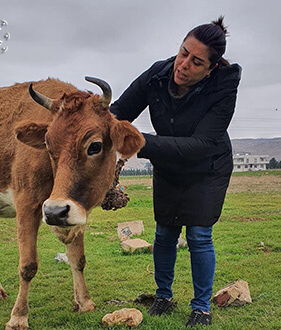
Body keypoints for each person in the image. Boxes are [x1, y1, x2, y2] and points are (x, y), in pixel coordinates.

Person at [110, 16, 241, 327]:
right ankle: (164, 297)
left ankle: (201, 307)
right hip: (169, 166)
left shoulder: (223, 87)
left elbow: (203, 143)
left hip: (207, 167)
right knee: (165, 232)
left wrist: (139, 142)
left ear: (212, 68)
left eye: (196, 62)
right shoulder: (157, 75)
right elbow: (118, 111)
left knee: (198, 234)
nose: (184, 65)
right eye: (183, 53)